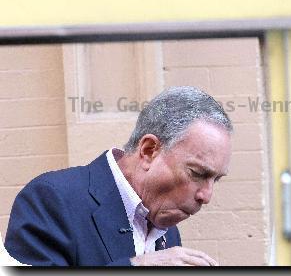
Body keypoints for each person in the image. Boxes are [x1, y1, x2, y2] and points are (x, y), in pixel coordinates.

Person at [4, 86, 233, 266]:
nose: (207, 195)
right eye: (197, 173)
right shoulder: (52, 199)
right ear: (148, 150)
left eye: (216, 179)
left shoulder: (168, 231)